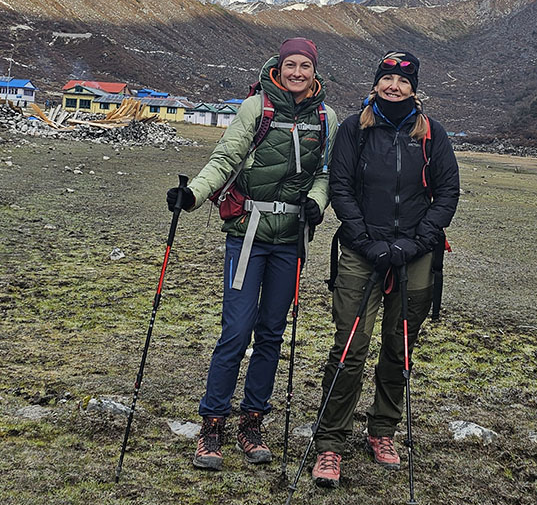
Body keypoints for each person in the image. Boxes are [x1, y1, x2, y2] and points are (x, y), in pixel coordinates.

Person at [166, 38, 337, 470]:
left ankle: (252, 422)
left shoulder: (326, 117)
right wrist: (193, 194)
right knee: (236, 331)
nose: (297, 73)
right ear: (278, 67)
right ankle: (212, 425)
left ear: (314, 72)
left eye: (305, 66)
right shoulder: (256, 108)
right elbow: (226, 158)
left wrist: (318, 201)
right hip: (247, 234)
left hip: (290, 241)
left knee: (272, 334)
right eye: (290, 65)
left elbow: (326, 172)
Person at [310, 50, 459, 488]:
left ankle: (383, 430)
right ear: (376, 83)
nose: (394, 86)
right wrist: (366, 241)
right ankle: (330, 442)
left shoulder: (432, 134)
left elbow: (447, 193)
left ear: (414, 88)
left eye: (403, 81)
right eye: (387, 79)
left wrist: (415, 242)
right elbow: (340, 187)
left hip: (415, 255)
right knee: (349, 348)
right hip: (363, 252)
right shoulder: (353, 129)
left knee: (400, 346)